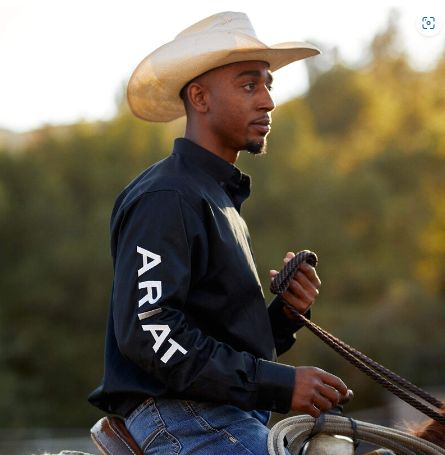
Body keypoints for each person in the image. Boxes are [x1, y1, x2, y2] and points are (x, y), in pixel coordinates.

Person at [89, 11, 352, 455]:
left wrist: (284, 315)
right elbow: (152, 331)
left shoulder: (215, 197)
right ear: (200, 97)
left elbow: (222, 344)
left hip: (223, 415)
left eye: (269, 85)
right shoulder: (168, 196)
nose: (267, 101)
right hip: (183, 417)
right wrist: (279, 383)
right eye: (250, 85)